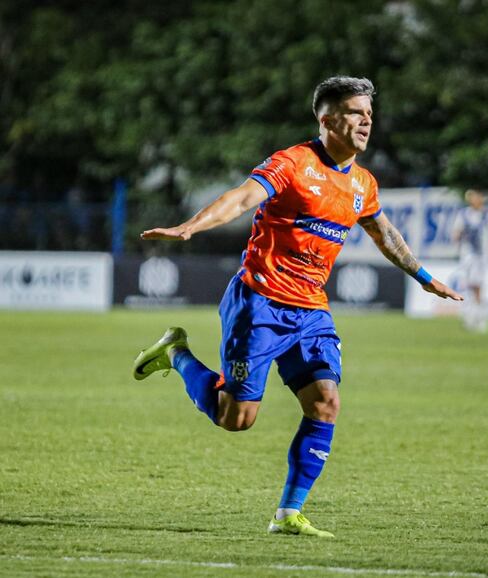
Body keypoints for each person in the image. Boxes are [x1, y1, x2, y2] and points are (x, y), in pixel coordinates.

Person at [132, 76, 462, 538]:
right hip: (260, 303)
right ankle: (176, 353)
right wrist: (191, 226)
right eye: (355, 113)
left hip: (311, 312)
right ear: (327, 120)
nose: (367, 121)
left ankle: (288, 512)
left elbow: (383, 232)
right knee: (236, 419)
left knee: (325, 402)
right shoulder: (293, 163)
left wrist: (425, 278)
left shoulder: (363, 184)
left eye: (369, 114)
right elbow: (241, 198)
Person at [451, 189, 488, 332]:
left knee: (476, 285)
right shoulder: (464, 214)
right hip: (467, 255)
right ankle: (474, 316)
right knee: (471, 285)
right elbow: (456, 232)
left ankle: (479, 318)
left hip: (482, 255)